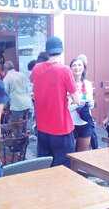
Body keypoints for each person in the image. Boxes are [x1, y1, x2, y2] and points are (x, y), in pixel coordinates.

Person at [31, 36, 80, 167]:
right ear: (61, 51)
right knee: (63, 169)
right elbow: (77, 100)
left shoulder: (36, 69)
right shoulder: (64, 70)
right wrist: (69, 98)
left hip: (42, 128)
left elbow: (36, 88)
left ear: (47, 51)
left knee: (45, 167)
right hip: (61, 129)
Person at [69, 58, 95, 152]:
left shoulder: (87, 84)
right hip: (70, 124)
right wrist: (78, 104)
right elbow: (66, 108)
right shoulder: (67, 85)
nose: (77, 67)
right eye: (74, 65)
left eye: (79, 65)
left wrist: (91, 103)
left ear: (84, 68)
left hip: (85, 122)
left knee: (82, 153)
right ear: (70, 68)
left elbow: (90, 105)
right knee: (70, 153)